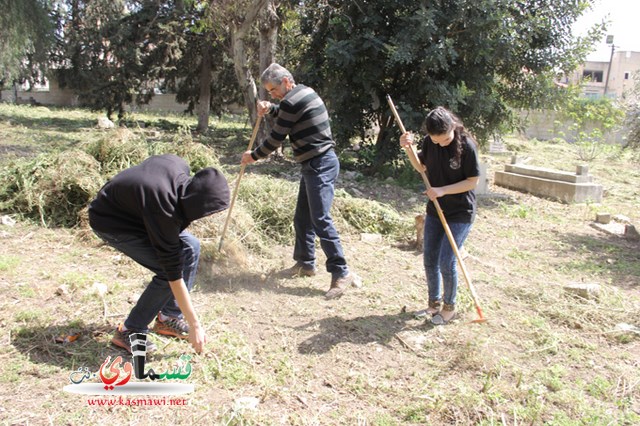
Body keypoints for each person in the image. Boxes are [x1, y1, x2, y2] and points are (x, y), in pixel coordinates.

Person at [241, 63, 360, 299]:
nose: (272, 94)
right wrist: (272, 108)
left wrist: (253, 156)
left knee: (321, 220)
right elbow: (288, 114)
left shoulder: (291, 101)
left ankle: (341, 272)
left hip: (320, 165)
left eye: (273, 90)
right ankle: (305, 263)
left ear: (286, 82)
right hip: (315, 164)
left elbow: (276, 139)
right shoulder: (303, 92)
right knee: (303, 218)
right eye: (269, 92)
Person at [88, 154, 230, 353]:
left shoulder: (178, 165)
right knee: (166, 273)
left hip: (136, 212)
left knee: (191, 245)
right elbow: (173, 274)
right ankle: (131, 329)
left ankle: (168, 317)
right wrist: (195, 325)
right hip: (111, 221)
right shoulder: (164, 211)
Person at [399, 107, 479, 325]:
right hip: (436, 209)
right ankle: (433, 304)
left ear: (452, 127)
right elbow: (421, 167)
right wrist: (408, 149)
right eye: (436, 140)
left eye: (444, 139)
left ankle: (449, 308)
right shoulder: (430, 141)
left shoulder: (467, 146)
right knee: (430, 259)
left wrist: (442, 190)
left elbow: (472, 181)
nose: (440, 144)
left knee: (446, 261)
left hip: (461, 212)